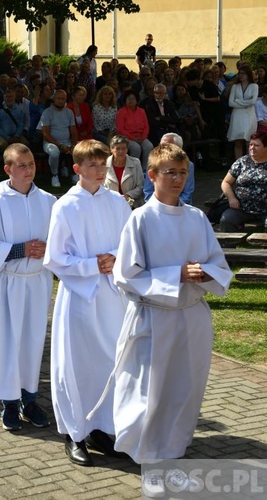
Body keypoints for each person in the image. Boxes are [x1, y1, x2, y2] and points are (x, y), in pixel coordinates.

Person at [109, 143, 231, 474]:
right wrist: (175, 274)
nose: (177, 179)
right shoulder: (141, 219)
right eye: (169, 173)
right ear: (152, 175)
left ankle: (175, 442)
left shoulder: (196, 217)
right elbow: (125, 275)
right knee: (148, 386)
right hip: (155, 315)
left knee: (185, 384)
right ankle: (142, 445)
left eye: (182, 173)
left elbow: (217, 263)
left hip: (191, 313)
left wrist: (207, 273)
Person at [42, 139, 131, 467]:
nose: (98, 170)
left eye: (102, 164)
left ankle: (102, 428)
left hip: (111, 296)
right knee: (75, 366)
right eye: (91, 166)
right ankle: (74, 433)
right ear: (77, 169)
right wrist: (92, 264)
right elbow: (54, 257)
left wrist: (117, 257)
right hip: (80, 296)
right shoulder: (65, 206)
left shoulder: (118, 203)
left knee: (109, 362)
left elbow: (131, 244)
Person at [0, 144, 56, 431]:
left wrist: (50, 250)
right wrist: (20, 249)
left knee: (32, 343)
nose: (29, 169)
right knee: (6, 343)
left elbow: (61, 239)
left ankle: (29, 400)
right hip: (6, 283)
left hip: (36, 282)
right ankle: (8, 403)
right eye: (21, 165)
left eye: (31, 163)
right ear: (7, 169)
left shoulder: (48, 201)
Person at [220, 130, 267, 231]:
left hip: (265, 209)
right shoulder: (243, 161)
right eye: (250, 144)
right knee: (226, 219)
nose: (252, 148)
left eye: (256, 145)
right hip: (242, 208)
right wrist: (231, 198)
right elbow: (226, 182)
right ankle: (228, 246)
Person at [41, 89, 78, 187]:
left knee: (80, 149)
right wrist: (60, 145)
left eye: (63, 98)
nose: (61, 101)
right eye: (58, 98)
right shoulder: (47, 112)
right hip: (50, 142)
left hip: (67, 141)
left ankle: (74, 173)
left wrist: (73, 145)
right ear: (54, 99)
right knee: (54, 152)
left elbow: (73, 132)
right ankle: (55, 175)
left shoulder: (69, 112)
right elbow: (46, 134)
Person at [227, 64, 260, 160]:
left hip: (249, 116)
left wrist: (238, 101)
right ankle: (239, 164)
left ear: (248, 74)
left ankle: (250, 163)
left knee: (248, 141)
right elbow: (230, 103)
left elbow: (253, 101)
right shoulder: (235, 86)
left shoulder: (254, 86)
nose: (241, 75)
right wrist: (245, 103)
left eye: (243, 73)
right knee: (238, 142)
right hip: (237, 116)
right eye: (239, 73)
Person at [104, 134, 145, 209]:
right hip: (110, 205)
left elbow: (141, 187)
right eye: (118, 148)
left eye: (124, 148)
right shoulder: (104, 164)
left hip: (132, 204)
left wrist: (128, 195)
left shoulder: (136, 163)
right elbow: (101, 187)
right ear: (111, 149)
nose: (121, 151)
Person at [116, 90, 153, 170]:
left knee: (149, 146)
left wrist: (143, 137)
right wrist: (132, 138)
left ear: (137, 100)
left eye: (133, 99)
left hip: (141, 136)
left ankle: (144, 169)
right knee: (136, 148)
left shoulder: (142, 111)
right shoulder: (121, 112)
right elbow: (120, 129)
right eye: (129, 99)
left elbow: (146, 126)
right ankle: (132, 169)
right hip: (127, 137)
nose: (131, 101)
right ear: (125, 100)